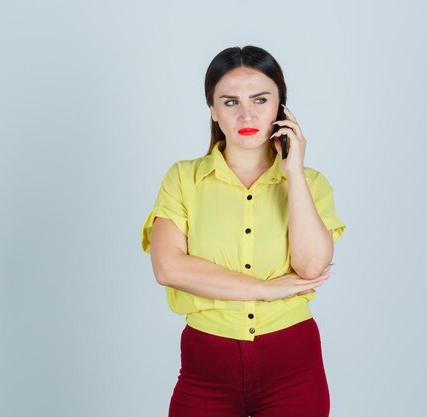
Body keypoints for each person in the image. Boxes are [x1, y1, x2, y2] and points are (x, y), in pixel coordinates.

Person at [140, 45, 346, 417]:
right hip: (205, 369)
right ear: (213, 111)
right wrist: (264, 290)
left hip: (293, 368)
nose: (246, 113)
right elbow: (168, 268)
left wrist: (293, 173)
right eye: (230, 102)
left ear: (281, 108)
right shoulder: (183, 178)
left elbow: (311, 267)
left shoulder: (311, 183)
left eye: (260, 99)